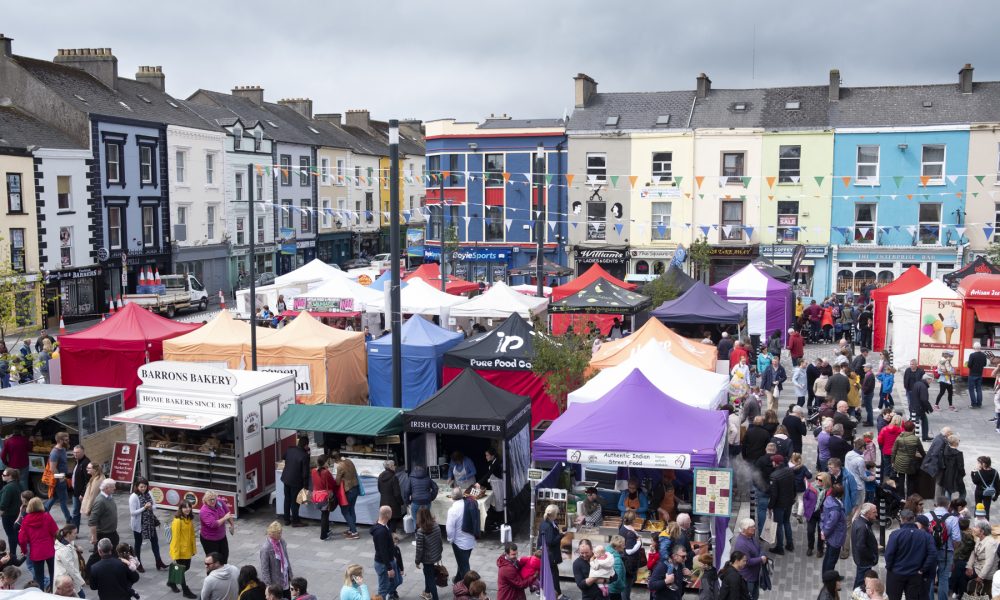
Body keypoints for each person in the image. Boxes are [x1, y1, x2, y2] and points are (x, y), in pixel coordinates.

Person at [884, 509, 936, 600]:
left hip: (896, 573)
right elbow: (932, 554)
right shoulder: (926, 536)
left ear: (901, 519)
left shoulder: (896, 534)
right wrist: (923, 569)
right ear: (914, 519)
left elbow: (889, 554)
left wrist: (889, 567)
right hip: (915, 574)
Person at [924, 496, 962, 600]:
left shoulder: (927, 516)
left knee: (930, 578)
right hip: (946, 552)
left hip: (929, 552)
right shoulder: (953, 519)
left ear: (935, 504)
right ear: (948, 505)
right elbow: (957, 539)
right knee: (944, 579)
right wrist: (952, 548)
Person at [129, 477, 166, 571]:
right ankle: (138, 564)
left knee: (155, 542)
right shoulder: (133, 497)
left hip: (149, 522)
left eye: (145, 486)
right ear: (137, 486)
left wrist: (150, 507)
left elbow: (155, 506)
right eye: (141, 487)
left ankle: (159, 561)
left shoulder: (149, 493)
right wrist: (144, 508)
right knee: (138, 544)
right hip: (139, 524)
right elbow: (132, 512)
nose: (143, 488)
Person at [732, 518, 767, 600]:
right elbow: (747, 561)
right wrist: (761, 559)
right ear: (744, 529)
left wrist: (762, 554)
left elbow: (759, 547)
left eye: (754, 526)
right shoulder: (741, 544)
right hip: (747, 578)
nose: (754, 528)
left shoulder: (751, 537)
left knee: (755, 596)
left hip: (754, 575)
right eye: (751, 527)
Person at [169, 501, 198, 598]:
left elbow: (192, 536)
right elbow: (175, 539)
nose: (188, 509)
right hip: (180, 550)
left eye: (189, 507)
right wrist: (175, 554)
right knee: (181, 570)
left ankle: (172, 581)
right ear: (180, 509)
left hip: (187, 549)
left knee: (187, 567)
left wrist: (193, 549)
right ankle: (185, 590)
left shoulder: (188, 519)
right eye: (185, 507)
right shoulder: (177, 521)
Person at [768, 454, 795, 554]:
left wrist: (770, 506)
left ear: (777, 463)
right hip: (789, 502)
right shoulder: (790, 471)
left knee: (778, 525)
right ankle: (790, 544)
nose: (772, 463)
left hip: (779, 505)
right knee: (787, 522)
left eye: (773, 461)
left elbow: (774, 495)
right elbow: (794, 486)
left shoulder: (774, 476)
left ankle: (780, 547)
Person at [43, 432, 73, 524]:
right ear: (60, 440)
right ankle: (69, 519)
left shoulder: (63, 449)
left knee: (54, 497)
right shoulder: (55, 453)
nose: (68, 441)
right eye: (66, 440)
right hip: (59, 480)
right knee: (63, 500)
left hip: (61, 478)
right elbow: (52, 469)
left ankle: (44, 512)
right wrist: (61, 479)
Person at [413, 508, 443, 600]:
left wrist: (417, 561)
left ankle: (435, 597)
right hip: (436, 555)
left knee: (430, 578)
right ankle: (427, 592)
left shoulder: (420, 531)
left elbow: (419, 549)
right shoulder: (436, 526)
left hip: (427, 559)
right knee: (428, 574)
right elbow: (440, 541)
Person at [281, 436, 310, 528]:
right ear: (306, 445)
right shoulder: (304, 456)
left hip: (286, 478)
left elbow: (283, 457)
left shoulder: (290, 449)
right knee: (295, 502)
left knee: (287, 499)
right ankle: (295, 521)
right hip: (296, 481)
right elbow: (305, 474)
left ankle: (286, 519)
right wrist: (306, 487)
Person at [259, 521, 293, 598]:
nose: (280, 535)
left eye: (281, 532)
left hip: (285, 579)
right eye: (278, 533)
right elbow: (265, 569)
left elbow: (286, 558)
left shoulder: (282, 541)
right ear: (272, 534)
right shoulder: (266, 548)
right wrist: (268, 586)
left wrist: (290, 574)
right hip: (275, 584)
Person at [538, 504, 565, 599]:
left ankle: (547, 591)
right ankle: (558, 594)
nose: (558, 514)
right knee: (554, 575)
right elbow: (550, 542)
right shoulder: (548, 526)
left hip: (548, 554)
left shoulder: (546, 522)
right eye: (557, 513)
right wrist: (561, 535)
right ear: (553, 514)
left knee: (551, 574)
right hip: (550, 555)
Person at [333, 451, 361, 540]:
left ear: (335, 460)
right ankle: (351, 529)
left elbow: (337, 482)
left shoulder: (340, 466)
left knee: (345, 511)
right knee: (351, 509)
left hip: (348, 490)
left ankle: (354, 532)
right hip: (355, 488)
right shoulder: (349, 461)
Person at [200, 491, 234, 564]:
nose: (213, 501)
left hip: (221, 537)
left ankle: (223, 574)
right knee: (213, 561)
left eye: (214, 499)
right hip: (209, 540)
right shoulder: (204, 511)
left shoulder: (219, 502)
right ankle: (211, 574)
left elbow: (227, 512)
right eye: (210, 500)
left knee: (224, 557)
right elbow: (213, 524)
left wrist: (232, 525)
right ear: (205, 500)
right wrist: (224, 518)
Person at [892, 422, 925, 498]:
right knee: (910, 480)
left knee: (901, 479)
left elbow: (894, 451)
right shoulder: (915, 439)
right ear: (913, 429)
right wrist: (924, 457)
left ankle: (901, 497)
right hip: (910, 463)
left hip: (899, 462)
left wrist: (892, 461)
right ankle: (910, 497)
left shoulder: (899, 438)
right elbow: (921, 450)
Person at [965, 518, 999, 593]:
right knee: (963, 571)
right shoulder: (979, 539)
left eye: (976, 528)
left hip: (985, 571)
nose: (974, 529)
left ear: (982, 532)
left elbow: (989, 563)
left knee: (962, 575)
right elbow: (974, 553)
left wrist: (981, 576)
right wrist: (969, 566)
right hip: (978, 567)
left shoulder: (990, 543)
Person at [820, 484, 847, 574]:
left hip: (831, 535)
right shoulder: (836, 508)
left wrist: (823, 531)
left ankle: (826, 574)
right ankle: (829, 578)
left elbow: (823, 516)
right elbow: (832, 523)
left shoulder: (828, 500)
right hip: (836, 536)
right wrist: (825, 533)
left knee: (828, 556)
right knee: (832, 559)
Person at [851, 503, 879, 589]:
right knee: (861, 581)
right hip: (864, 560)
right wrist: (872, 556)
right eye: (874, 512)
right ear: (867, 514)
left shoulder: (859, 521)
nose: (876, 515)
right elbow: (860, 546)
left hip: (862, 559)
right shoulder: (863, 526)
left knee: (861, 579)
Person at [53, 524, 85, 597]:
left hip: (69, 579)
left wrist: (77, 548)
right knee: (81, 596)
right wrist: (81, 581)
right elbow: (71, 568)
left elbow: (72, 545)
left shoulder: (65, 542)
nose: (76, 535)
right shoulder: (64, 550)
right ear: (68, 534)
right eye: (75, 533)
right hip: (66, 581)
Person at [0, 468, 24, 563]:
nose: (2, 476)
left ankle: (12, 556)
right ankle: (23, 549)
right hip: (17, 514)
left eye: (4, 475)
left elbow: (3, 505)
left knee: (11, 535)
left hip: (8, 515)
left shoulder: (8, 488)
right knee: (15, 534)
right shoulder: (19, 484)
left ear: (10, 476)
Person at [312, 455, 338, 541]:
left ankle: (326, 530)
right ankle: (323, 535)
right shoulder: (326, 472)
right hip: (325, 496)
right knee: (325, 515)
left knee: (324, 514)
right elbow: (333, 483)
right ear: (325, 462)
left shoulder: (313, 471)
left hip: (316, 496)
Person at [88, 479, 119, 549]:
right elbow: (92, 521)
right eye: (113, 487)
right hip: (103, 535)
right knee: (97, 556)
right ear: (106, 488)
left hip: (112, 532)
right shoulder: (100, 501)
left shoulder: (109, 497)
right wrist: (94, 537)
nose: (115, 488)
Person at [377, 461, 405, 534]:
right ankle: (392, 538)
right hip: (393, 503)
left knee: (386, 521)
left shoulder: (380, 476)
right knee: (393, 521)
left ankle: (387, 536)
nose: (395, 466)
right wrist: (401, 502)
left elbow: (379, 489)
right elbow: (397, 493)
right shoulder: (394, 477)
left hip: (383, 502)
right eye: (393, 465)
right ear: (390, 467)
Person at [68, 446, 90, 529]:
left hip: (80, 493)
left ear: (83, 452)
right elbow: (75, 475)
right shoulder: (77, 461)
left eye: (78, 452)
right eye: (74, 452)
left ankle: (74, 531)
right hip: (76, 491)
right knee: (76, 512)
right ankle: (74, 530)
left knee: (76, 512)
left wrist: (82, 493)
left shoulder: (85, 463)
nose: (75, 454)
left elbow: (88, 480)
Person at [940, 435, 966, 500]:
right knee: (963, 492)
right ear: (956, 443)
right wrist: (963, 473)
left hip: (947, 473)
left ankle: (948, 505)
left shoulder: (945, 450)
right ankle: (959, 504)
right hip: (956, 475)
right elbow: (960, 467)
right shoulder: (958, 454)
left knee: (948, 490)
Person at [911, 374, 934, 442]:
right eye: (930, 380)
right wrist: (930, 408)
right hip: (918, 408)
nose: (931, 382)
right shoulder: (923, 387)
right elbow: (924, 399)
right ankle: (912, 436)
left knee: (924, 421)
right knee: (913, 423)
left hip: (914, 406)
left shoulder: (917, 383)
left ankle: (925, 436)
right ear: (927, 379)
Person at [967, 343, 988, 408]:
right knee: (978, 389)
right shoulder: (984, 355)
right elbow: (984, 364)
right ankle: (979, 404)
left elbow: (969, 365)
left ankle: (973, 404)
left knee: (971, 389)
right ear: (980, 347)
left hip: (972, 374)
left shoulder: (972, 355)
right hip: (979, 374)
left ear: (974, 348)